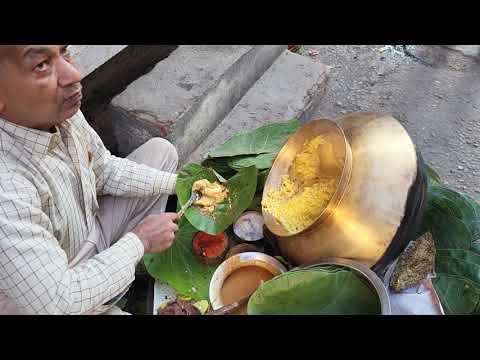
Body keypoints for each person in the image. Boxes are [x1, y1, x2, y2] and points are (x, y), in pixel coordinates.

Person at [0, 45, 180, 315]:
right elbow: (57, 302)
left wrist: (186, 184)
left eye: (64, 52)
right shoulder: (7, 187)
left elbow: (103, 169)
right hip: (51, 297)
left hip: (87, 237)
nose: (73, 74)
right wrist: (139, 242)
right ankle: (103, 298)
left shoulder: (59, 112)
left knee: (162, 153)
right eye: (41, 65)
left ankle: (113, 282)